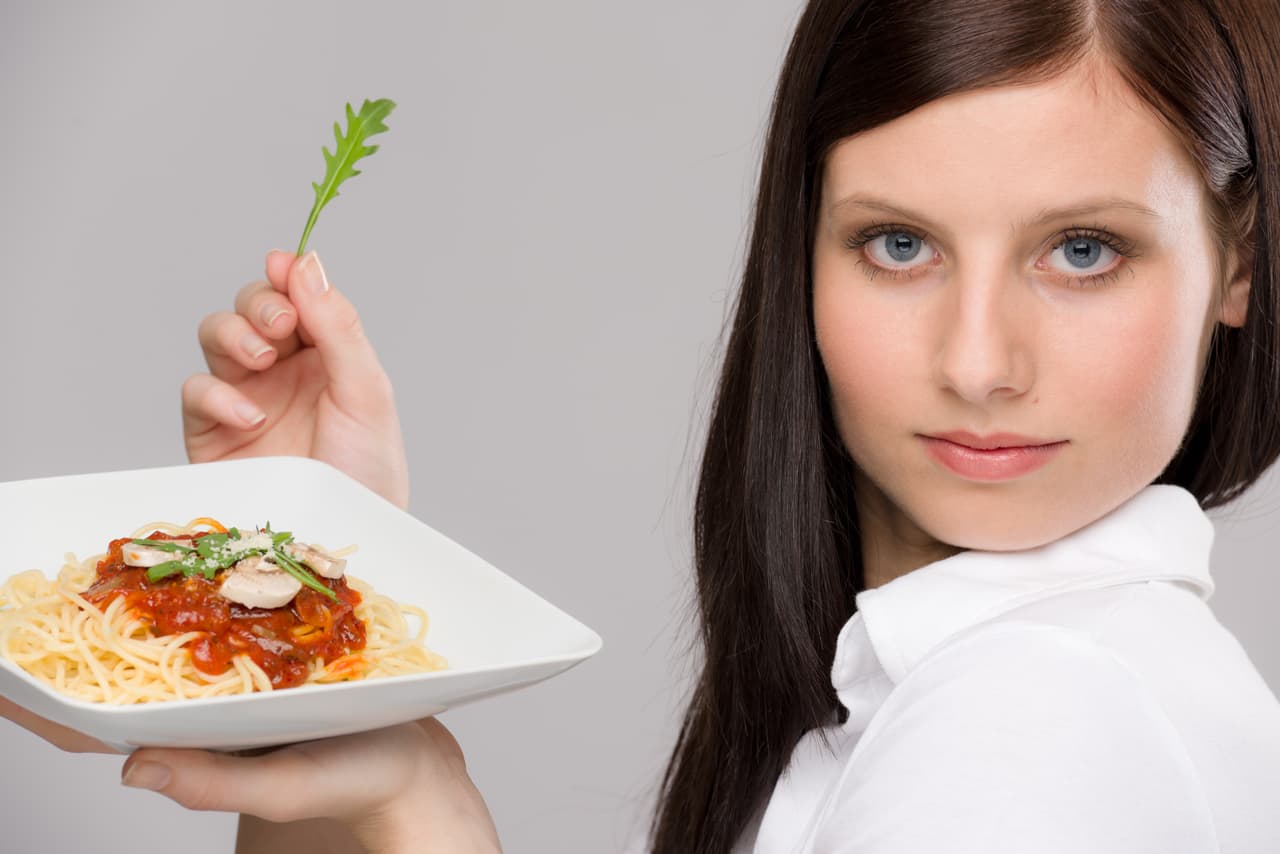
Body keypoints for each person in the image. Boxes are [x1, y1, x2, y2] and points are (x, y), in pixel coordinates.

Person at [5, 0, 1280, 851]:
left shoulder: (1040, 706)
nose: (976, 362)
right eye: (898, 245)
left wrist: (432, 810)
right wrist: (331, 626)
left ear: (1236, 258)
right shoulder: (946, 672)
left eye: (1081, 249)